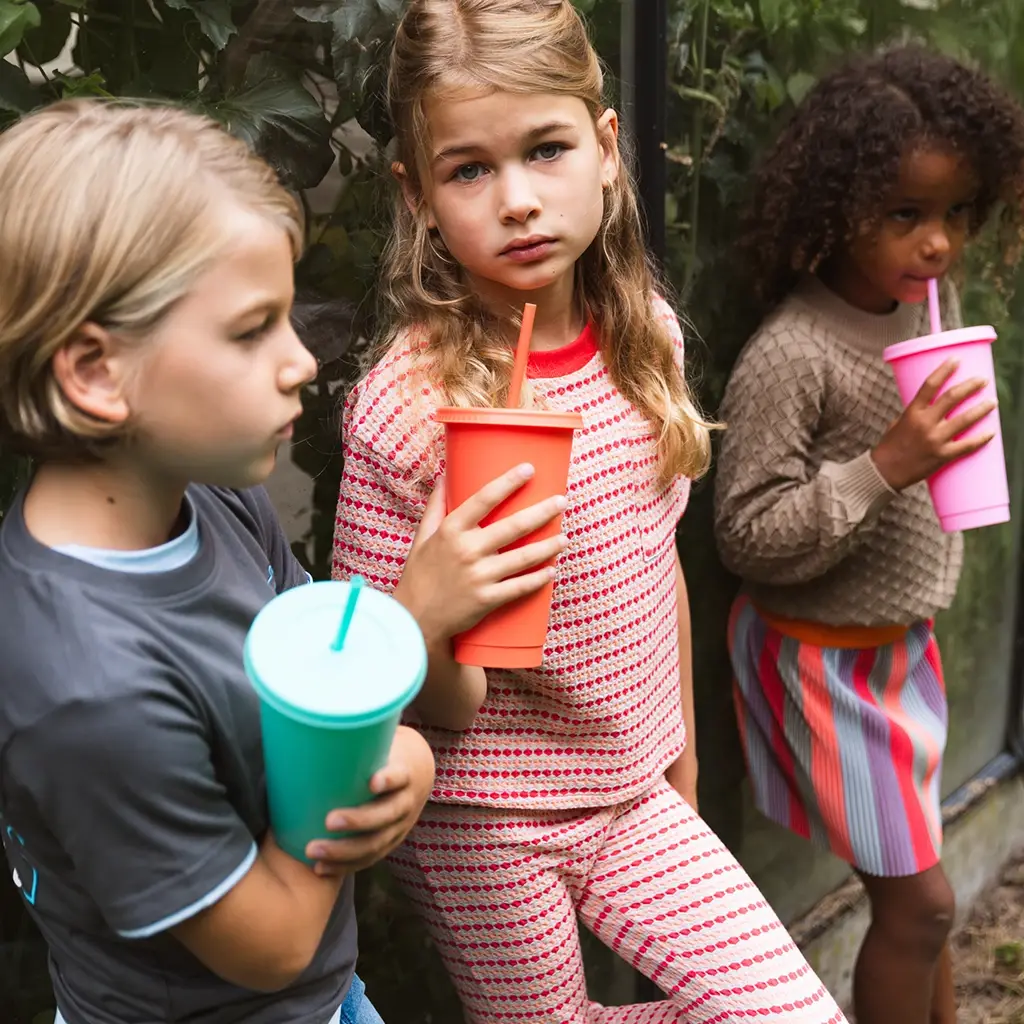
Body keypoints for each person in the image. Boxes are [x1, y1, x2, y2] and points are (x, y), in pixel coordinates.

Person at [333, 2, 847, 1021]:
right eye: (469, 169)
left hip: (632, 794)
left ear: (607, 151)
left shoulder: (642, 340)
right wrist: (433, 603)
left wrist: (683, 773)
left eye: (547, 148)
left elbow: (658, 571)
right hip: (482, 819)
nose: (518, 199)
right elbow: (403, 701)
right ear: (420, 196)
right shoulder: (403, 411)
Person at [0, 99, 557, 1024]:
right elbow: (274, 942)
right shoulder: (87, 693)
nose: (301, 361)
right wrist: (404, 675)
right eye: (252, 328)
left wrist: (405, 742)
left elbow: (312, 695)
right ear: (95, 374)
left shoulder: (211, 500)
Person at [714, 44, 1024, 1024]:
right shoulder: (792, 355)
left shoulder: (924, 314)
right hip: (823, 667)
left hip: (900, 653)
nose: (937, 243)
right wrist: (886, 463)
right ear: (835, 207)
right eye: (905, 213)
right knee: (923, 900)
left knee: (919, 898)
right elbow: (745, 535)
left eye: (955, 213)